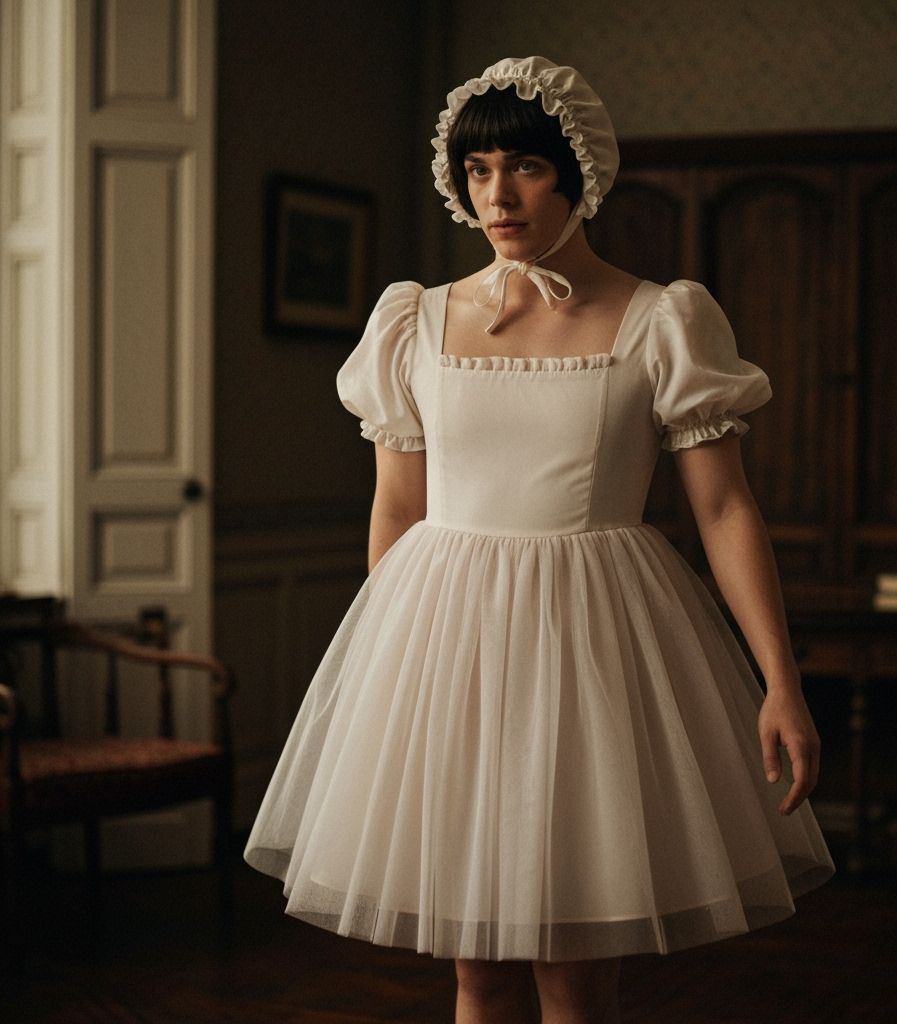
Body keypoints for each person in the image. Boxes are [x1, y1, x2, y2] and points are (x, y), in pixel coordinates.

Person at [245, 56, 834, 1024]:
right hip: (448, 655)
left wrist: (779, 678)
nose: (497, 194)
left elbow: (724, 508)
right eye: (476, 171)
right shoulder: (413, 322)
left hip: (597, 649)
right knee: (475, 967)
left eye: (522, 166)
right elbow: (397, 509)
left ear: (578, 172)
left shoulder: (662, 320)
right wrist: (392, 672)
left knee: (575, 968)